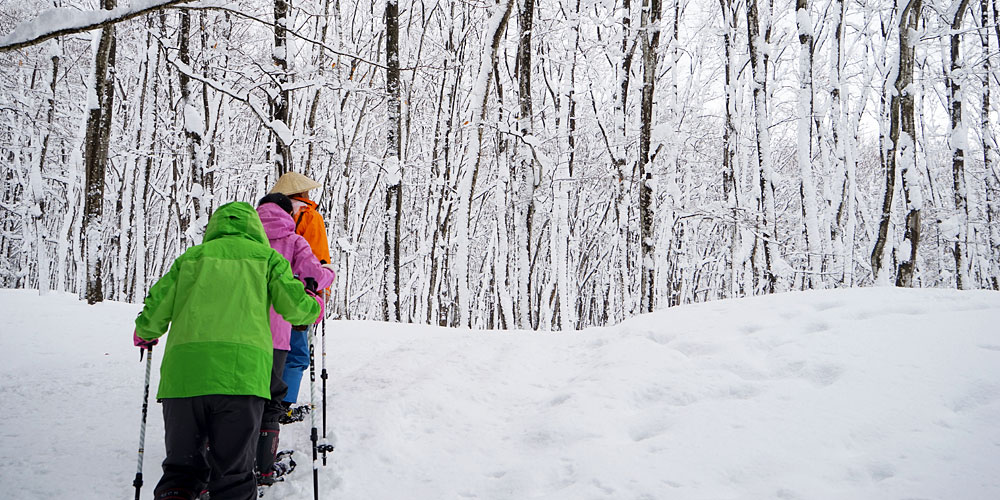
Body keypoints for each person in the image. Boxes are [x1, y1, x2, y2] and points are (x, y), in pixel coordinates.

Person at [133, 201, 323, 500]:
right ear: (254, 229)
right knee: (233, 475)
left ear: (215, 227)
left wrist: (144, 332)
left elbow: (155, 309)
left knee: (181, 470)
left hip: (184, 380)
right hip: (241, 378)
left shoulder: (191, 259)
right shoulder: (268, 259)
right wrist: (313, 302)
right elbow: (298, 310)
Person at [254, 193, 335, 484]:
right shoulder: (295, 236)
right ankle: (263, 467)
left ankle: (228, 462)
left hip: (243, 331)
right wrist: (327, 275)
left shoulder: (246, 241)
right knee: (272, 398)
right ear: (289, 211)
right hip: (280, 327)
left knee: (241, 399)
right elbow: (314, 271)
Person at [269, 172, 333, 409]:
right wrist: (321, 288)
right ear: (302, 193)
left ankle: (264, 400)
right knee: (296, 351)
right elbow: (316, 258)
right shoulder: (309, 215)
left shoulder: (262, 218)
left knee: (270, 347)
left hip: (265, 293)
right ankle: (283, 405)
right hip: (298, 291)